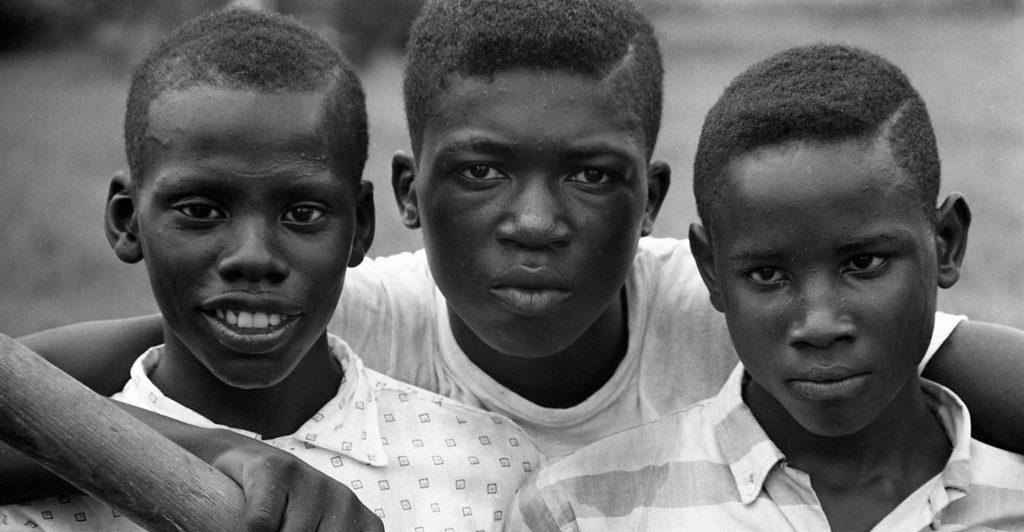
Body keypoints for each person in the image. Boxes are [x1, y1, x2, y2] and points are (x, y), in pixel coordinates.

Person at [10, 0, 1024, 484]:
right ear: (402, 196)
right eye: (480, 172)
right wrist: (207, 449)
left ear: (650, 200)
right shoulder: (348, 316)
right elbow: (29, 394)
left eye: (591, 176)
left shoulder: (729, 311)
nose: (535, 223)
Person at [0, 8, 541, 531]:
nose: (253, 256)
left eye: (302, 214)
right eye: (200, 211)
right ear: (127, 221)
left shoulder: (489, 470)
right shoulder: (36, 489)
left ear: (361, 227)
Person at [507, 43, 1024, 531]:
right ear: (711, 270)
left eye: (864, 263)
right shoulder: (585, 510)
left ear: (947, 243)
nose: (819, 325)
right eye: (768, 275)